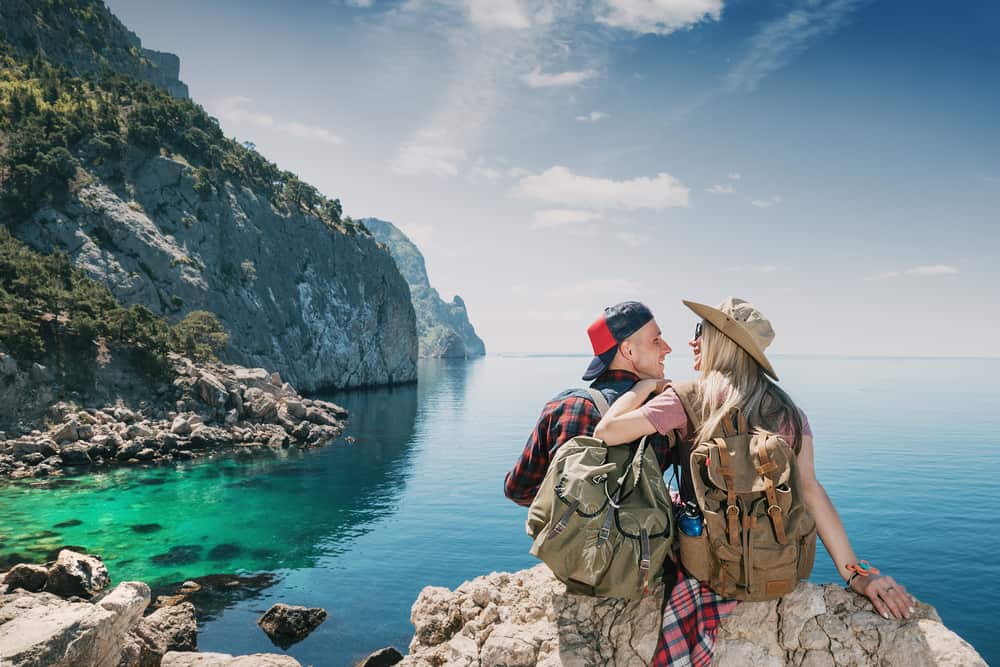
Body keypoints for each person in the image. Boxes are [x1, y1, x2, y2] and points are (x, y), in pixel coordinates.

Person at [594, 297, 914, 666]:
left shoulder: (686, 398)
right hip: (778, 574)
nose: (692, 341)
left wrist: (643, 387)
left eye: (701, 331)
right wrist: (855, 574)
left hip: (709, 570)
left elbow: (607, 432)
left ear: (721, 342)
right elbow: (810, 490)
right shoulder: (790, 412)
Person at [503, 300, 672, 507]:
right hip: (643, 537)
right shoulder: (662, 409)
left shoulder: (563, 407)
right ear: (628, 351)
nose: (667, 348)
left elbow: (518, 490)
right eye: (656, 340)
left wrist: (572, 500)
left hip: (569, 538)